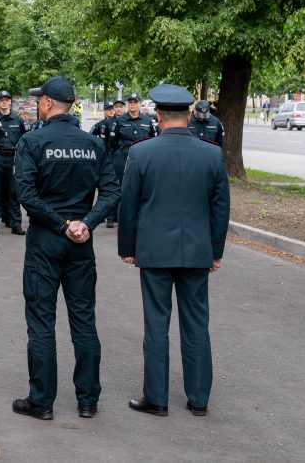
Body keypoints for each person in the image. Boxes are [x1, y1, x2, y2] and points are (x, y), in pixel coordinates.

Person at [11, 76, 120, 421]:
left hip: (47, 239)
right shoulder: (93, 144)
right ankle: (88, 399)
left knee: (42, 321)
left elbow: (26, 194)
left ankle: (41, 401)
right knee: (84, 321)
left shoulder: (33, 141)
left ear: (46, 104)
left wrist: (62, 224)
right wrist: (85, 222)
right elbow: (113, 192)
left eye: (39, 100)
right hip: (80, 242)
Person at [119, 84, 230, 418]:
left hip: (153, 251)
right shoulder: (211, 153)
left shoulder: (141, 152)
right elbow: (220, 208)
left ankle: (157, 398)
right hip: (197, 250)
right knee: (196, 324)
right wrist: (215, 250)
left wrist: (128, 247)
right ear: (187, 115)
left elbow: (129, 205)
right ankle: (198, 400)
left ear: (158, 115)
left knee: (156, 323)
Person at [107, 93, 156, 226]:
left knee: (142, 185)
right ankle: (111, 217)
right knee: (118, 186)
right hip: (123, 156)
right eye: (130, 102)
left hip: (143, 157)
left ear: (140, 104)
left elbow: (153, 138)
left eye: (135, 102)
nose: (133, 104)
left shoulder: (147, 121)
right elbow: (112, 141)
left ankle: (140, 214)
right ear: (127, 104)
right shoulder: (119, 121)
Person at [0, 91, 29, 235]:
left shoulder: (18, 120)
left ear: (10, 102)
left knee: (14, 192)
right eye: (2, 100)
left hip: (13, 159)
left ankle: (16, 223)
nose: (4, 102)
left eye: (7, 100)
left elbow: (26, 139)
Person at [89, 102, 117, 226]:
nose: (110, 111)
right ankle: (102, 215)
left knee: (115, 188)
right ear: (104, 111)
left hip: (115, 158)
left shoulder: (119, 123)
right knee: (103, 188)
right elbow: (89, 139)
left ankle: (114, 215)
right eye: (108, 109)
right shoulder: (99, 125)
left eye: (112, 109)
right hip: (102, 159)